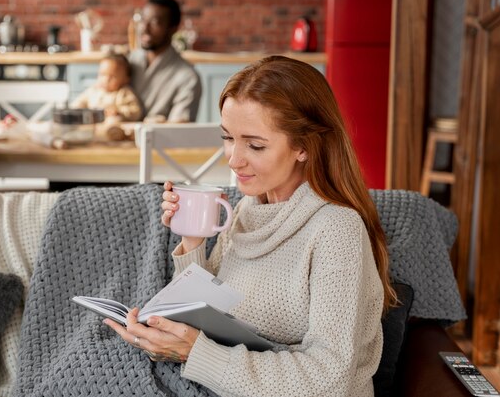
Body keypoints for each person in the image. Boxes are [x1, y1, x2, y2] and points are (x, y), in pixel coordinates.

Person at [105, 56, 397, 396]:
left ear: (303, 146)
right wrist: (193, 241)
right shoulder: (247, 209)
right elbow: (207, 313)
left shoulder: (336, 229)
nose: (233, 159)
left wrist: (195, 353)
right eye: (228, 137)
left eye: (255, 145)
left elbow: (330, 377)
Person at [128, 0, 202, 123]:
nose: (144, 28)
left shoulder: (188, 77)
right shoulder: (129, 60)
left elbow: (178, 129)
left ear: (173, 28)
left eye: (155, 22)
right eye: (143, 19)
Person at [71, 53, 142, 141]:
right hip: (92, 126)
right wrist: (75, 110)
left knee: (113, 120)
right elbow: (80, 102)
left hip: (111, 126)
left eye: (112, 77)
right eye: (102, 75)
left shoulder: (124, 92)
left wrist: (119, 112)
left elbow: (135, 111)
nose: (106, 80)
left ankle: (113, 134)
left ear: (126, 79)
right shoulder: (93, 90)